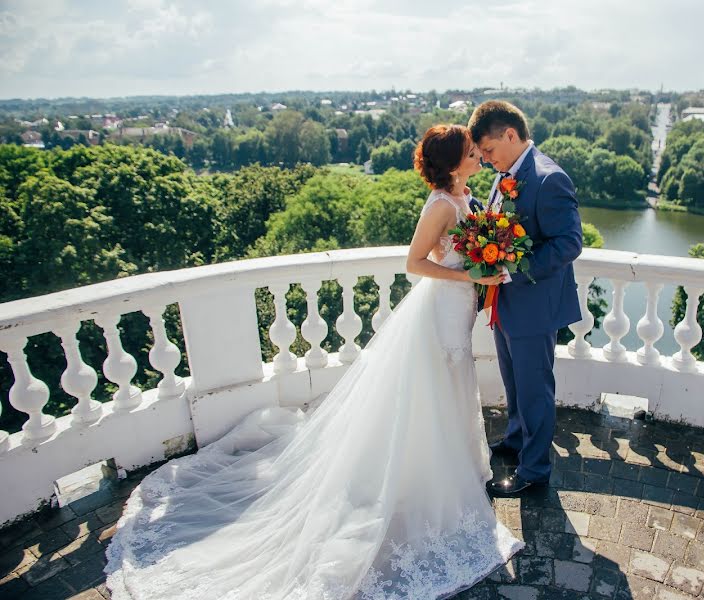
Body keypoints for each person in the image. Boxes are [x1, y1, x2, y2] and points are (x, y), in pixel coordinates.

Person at [105, 124, 522, 599]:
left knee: (451, 387)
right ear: (451, 163)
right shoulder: (442, 205)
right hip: (439, 312)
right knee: (433, 390)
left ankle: (455, 475)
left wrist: (482, 264)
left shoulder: (466, 197)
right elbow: (413, 263)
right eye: (471, 153)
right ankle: (420, 487)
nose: (478, 157)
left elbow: (465, 248)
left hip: (458, 308)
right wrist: (467, 269)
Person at [468, 101, 583, 497]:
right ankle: (517, 442)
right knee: (515, 384)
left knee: (535, 391)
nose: (485, 159)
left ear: (511, 135)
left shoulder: (550, 179)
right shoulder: (505, 174)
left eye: (488, 150)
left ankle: (534, 470)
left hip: (534, 307)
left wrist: (516, 267)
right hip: (506, 304)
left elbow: (569, 244)